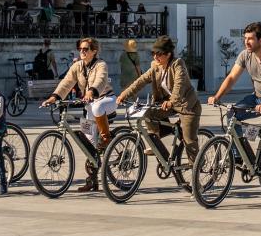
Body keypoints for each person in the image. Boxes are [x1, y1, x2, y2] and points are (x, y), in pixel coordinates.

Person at [204, 21, 261, 202]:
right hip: (256, 98)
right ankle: (240, 156)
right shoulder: (245, 55)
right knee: (232, 116)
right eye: (245, 39)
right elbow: (231, 77)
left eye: (251, 39)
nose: (247, 42)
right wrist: (217, 96)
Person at [117, 35, 202, 172]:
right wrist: (123, 94)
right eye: (153, 53)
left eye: (159, 54)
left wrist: (171, 101)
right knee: (147, 111)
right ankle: (155, 141)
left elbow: (179, 85)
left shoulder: (177, 64)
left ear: (168, 54)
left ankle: (196, 172)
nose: (155, 57)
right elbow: (141, 81)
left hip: (187, 105)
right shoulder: (155, 66)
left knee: (189, 141)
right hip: (166, 104)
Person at [49, 37, 116, 193]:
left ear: (94, 51)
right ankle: (92, 181)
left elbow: (101, 80)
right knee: (89, 144)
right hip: (89, 105)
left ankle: (106, 138)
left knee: (98, 106)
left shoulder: (101, 65)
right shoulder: (77, 66)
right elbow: (66, 82)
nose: (82, 52)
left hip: (106, 99)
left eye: (86, 49)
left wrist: (92, 91)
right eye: (80, 49)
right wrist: (55, 96)